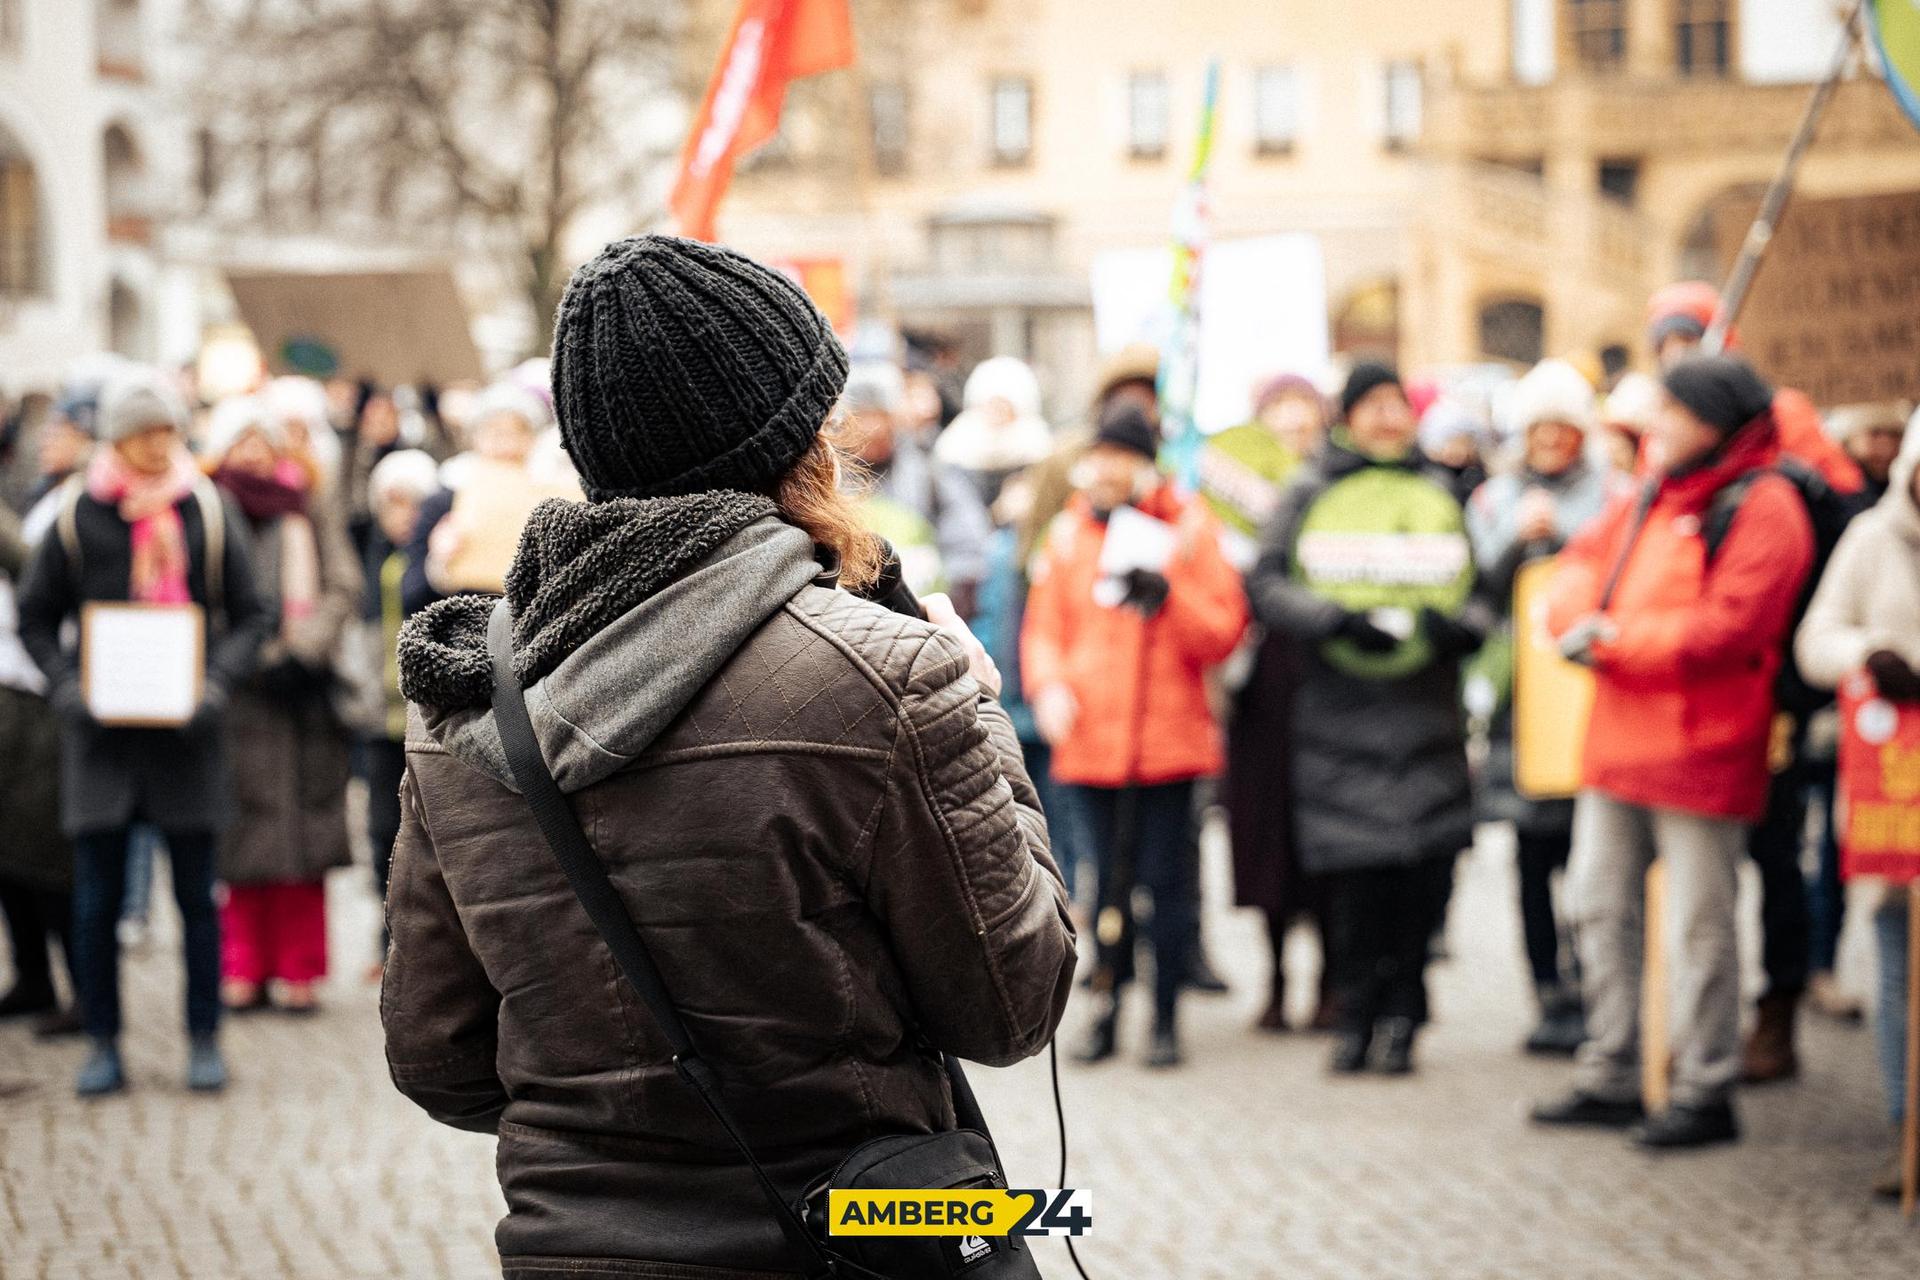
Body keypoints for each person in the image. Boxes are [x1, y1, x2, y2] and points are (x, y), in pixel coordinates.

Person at [382, 236, 1075, 1279]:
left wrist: (612, 1125)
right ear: (794, 442)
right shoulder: (887, 673)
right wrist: (974, 701)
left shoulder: (466, 699)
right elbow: (1015, 999)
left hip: (576, 1249)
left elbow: (438, 1057)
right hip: (855, 1244)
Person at [1532, 354, 1815, 1149]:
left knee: (1700, 923)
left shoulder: (1766, 504)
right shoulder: (1652, 490)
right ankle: (1613, 1066)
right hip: (1619, 739)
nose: (1655, 428)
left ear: (1716, 421)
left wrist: (1616, 642)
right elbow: (1581, 563)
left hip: (1706, 746)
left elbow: (1732, 627)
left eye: (1672, 413)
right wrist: (1575, 618)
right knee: (1597, 904)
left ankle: (1703, 1083)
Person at [17, 368, 270, 1097]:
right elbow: (35, 616)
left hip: (188, 735)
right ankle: (102, 1041)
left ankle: (203, 1035)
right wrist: (66, 687)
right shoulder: (75, 514)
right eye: (144, 433)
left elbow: (252, 614)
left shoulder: (207, 510)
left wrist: (216, 683)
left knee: (196, 897)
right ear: (117, 440)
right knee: (95, 899)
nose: (159, 446)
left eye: (167, 430)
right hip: (99, 738)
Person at [1645, 280, 1866, 1083]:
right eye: (1665, 342)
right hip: (1684, 688)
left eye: (1690, 338)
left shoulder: (1784, 424)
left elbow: (1840, 509)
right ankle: (1697, 1020)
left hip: (1770, 679)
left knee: (1774, 851)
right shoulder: (1662, 429)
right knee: (1697, 872)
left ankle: (1776, 1007)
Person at [1247, 363, 1484, 1076]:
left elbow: (1482, 593)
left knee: (1421, 875)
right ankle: (1355, 1013)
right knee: (1352, 880)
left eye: (1396, 405)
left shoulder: (1443, 489)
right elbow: (1266, 581)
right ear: (1348, 416)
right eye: (1372, 405)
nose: (1387, 418)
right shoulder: (1311, 489)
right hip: (1337, 715)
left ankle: (1406, 1013)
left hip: (1424, 713)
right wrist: (1336, 620)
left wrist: (1454, 630)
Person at [1023, 405, 1247, 1068]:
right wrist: (1050, 688)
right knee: (1102, 884)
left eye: (1121, 456)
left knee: (1166, 887)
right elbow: (1044, 631)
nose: (1108, 469)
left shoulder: (1189, 529)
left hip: (1168, 741)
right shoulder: (1067, 534)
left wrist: (1169, 597)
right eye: (1101, 455)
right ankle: (1107, 1005)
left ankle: (1167, 1015)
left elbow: (1223, 631)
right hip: (1093, 740)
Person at [1467, 359, 1611, 1056]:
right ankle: (1547, 988)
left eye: (1564, 425)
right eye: (1539, 426)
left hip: (1585, 701)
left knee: (1593, 853)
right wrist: (1515, 543)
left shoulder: (1612, 497)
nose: (1551, 439)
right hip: (1519, 708)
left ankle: (1594, 983)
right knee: (1531, 855)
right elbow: (1478, 597)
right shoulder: (1494, 501)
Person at [201, 397, 362, 1015]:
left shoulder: (309, 506)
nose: (254, 453)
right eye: (242, 441)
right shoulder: (210, 509)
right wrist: (238, 657)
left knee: (304, 834)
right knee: (238, 834)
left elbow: (343, 584)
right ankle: (240, 965)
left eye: (264, 442)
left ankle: (301, 968)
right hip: (236, 690)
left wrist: (306, 650)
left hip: (303, 691)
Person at [1794, 422, 1920, 1199]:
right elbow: (1817, 638)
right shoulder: (1873, 538)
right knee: (1901, 967)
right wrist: (1867, 655)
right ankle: (1909, 1129)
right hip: (1895, 789)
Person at [1202, 374, 1334, 1032]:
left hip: (1322, 674)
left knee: (1326, 828)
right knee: (1265, 830)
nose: (1293, 421)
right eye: (1279, 409)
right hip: (1257, 677)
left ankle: (1334, 978)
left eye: (1303, 409)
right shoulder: (1227, 490)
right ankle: (1279, 977)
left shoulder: (1340, 489)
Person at [359, 448, 439, 978]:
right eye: (392, 502)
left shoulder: (437, 558)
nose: (403, 513)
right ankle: (385, 937)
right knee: (382, 830)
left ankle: (424, 939)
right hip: (377, 715)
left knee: (426, 828)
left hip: (422, 714)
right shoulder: (371, 555)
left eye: (413, 501)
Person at [0, 502, 75, 1035]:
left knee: (46, 853)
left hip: (40, 698)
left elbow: (34, 573)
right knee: (7, 855)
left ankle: (81, 989)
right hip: (10, 692)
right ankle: (32, 976)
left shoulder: (76, 504)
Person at [840, 361, 992, 616]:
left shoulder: (931, 472)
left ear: (894, 417)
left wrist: (941, 601)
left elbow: (968, 546)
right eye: (861, 417)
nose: (870, 428)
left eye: (878, 415)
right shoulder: (828, 480)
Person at [933, 355, 1055, 507]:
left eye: (1004, 405)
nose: (997, 412)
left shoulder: (1039, 446)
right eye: (992, 404)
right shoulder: (956, 446)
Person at [1828, 402, 1909, 506]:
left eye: (1895, 435)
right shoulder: (1830, 493)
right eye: (1875, 434)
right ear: (1848, 440)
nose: (1886, 449)